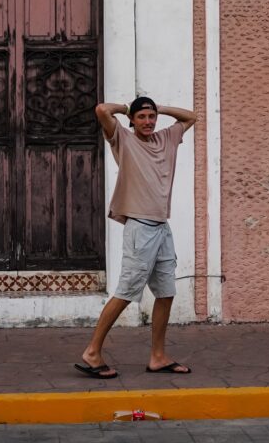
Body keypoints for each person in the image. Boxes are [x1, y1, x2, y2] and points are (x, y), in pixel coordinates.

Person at [74, 95, 196, 379]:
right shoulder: (123, 140)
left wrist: (160, 108)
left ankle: (158, 356)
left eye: (151, 117)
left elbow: (191, 117)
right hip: (140, 228)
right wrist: (128, 109)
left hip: (162, 228)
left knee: (166, 293)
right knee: (127, 292)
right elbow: (102, 110)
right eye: (142, 117)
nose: (148, 122)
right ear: (132, 121)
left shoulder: (166, 137)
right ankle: (92, 352)